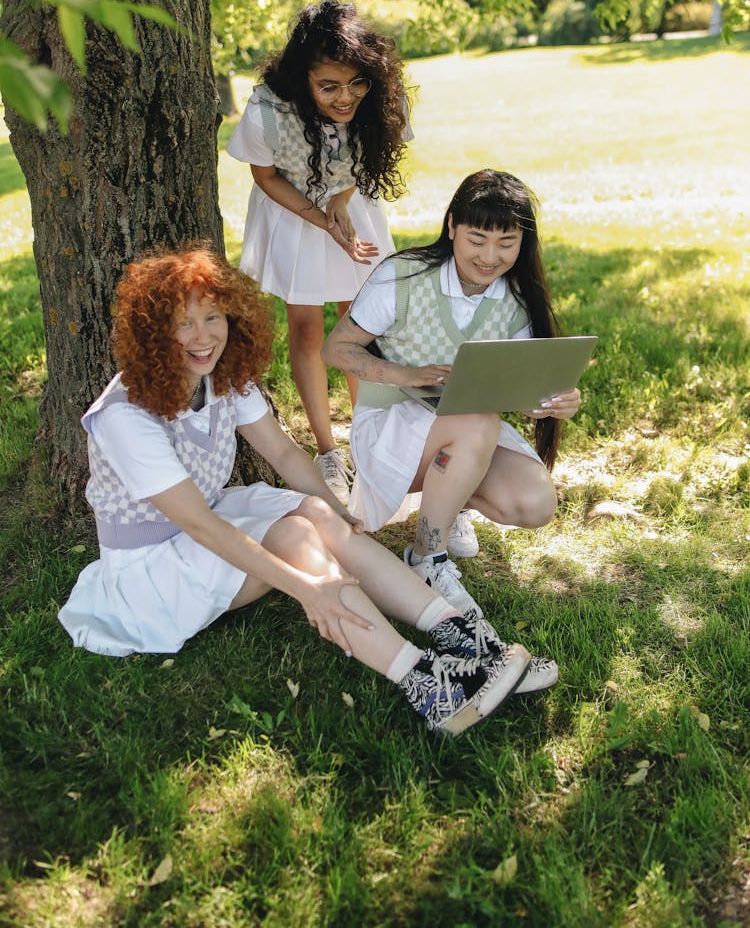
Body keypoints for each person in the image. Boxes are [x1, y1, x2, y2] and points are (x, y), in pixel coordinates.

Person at [58, 247, 558, 737]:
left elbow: (285, 456)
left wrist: (338, 509)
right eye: (183, 323)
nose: (202, 336)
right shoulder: (126, 415)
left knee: (319, 515)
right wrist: (305, 588)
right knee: (298, 537)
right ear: (154, 332)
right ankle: (426, 682)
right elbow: (198, 524)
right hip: (154, 570)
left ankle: (466, 640)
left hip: (206, 524)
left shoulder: (224, 378)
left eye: (213, 318)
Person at [322, 169, 581, 622]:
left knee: (536, 502)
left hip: (461, 432)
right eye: (477, 239)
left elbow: (518, 387)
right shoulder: (403, 276)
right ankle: (428, 558)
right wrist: (407, 373)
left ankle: (447, 504)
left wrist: (555, 400)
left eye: (506, 243)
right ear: (451, 228)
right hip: (390, 424)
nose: (489, 256)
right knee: (478, 422)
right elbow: (335, 349)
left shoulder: (516, 298)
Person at [226, 0, 412, 506]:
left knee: (359, 323)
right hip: (292, 213)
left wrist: (340, 203)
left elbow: (369, 160)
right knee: (307, 328)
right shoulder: (269, 110)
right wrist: (319, 216)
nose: (345, 97)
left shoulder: (381, 100)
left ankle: (367, 443)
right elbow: (264, 176)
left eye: (356, 83)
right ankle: (329, 451)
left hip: (349, 209)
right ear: (301, 78)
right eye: (328, 86)